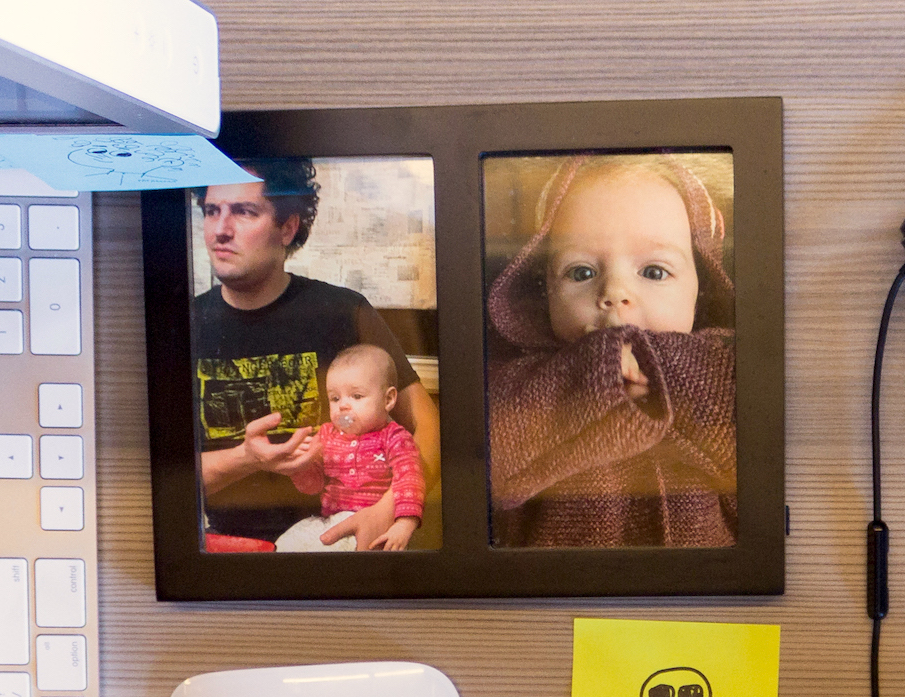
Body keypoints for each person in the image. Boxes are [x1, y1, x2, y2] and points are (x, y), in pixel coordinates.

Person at [485, 154, 736, 548]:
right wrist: (587, 375)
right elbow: (491, 474)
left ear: (699, 290)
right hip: (560, 601)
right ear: (545, 292)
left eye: (654, 272)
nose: (614, 293)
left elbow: (758, 469)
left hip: (705, 601)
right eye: (581, 272)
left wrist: (664, 367)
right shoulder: (517, 381)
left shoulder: (725, 367)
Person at [194, 158, 440, 548]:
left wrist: (391, 508)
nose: (220, 230)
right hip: (220, 551)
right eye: (211, 211)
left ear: (288, 227)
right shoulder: (185, 326)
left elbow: (427, 427)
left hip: (336, 540)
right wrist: (246, 457)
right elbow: (158, 476)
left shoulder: (342, 311)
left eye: (244, 211)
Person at [273, 345, 425, 552]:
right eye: (335, 398)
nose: (343, 406)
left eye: (356, 396)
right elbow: (312, 487)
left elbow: (409, 481)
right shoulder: (327, 435)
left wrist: (405, 524)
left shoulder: (395, 438)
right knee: (285, 545)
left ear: (388, 399)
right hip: (329, 520)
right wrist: (300, 467)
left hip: (378, 527)